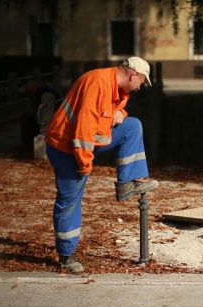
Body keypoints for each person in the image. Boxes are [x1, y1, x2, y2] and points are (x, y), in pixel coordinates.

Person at [45, 56, 158, 274]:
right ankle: (66, 256)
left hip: (81, 143)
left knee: (132, 126)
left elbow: (115, 108)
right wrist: (85, 165)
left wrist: (121, 112)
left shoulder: (115, 85)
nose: (141, 87)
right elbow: (83, 130)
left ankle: (128, 182)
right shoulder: (98, 83)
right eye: (142, 81)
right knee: (70, 200)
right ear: (133, 74)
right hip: (66, 147)